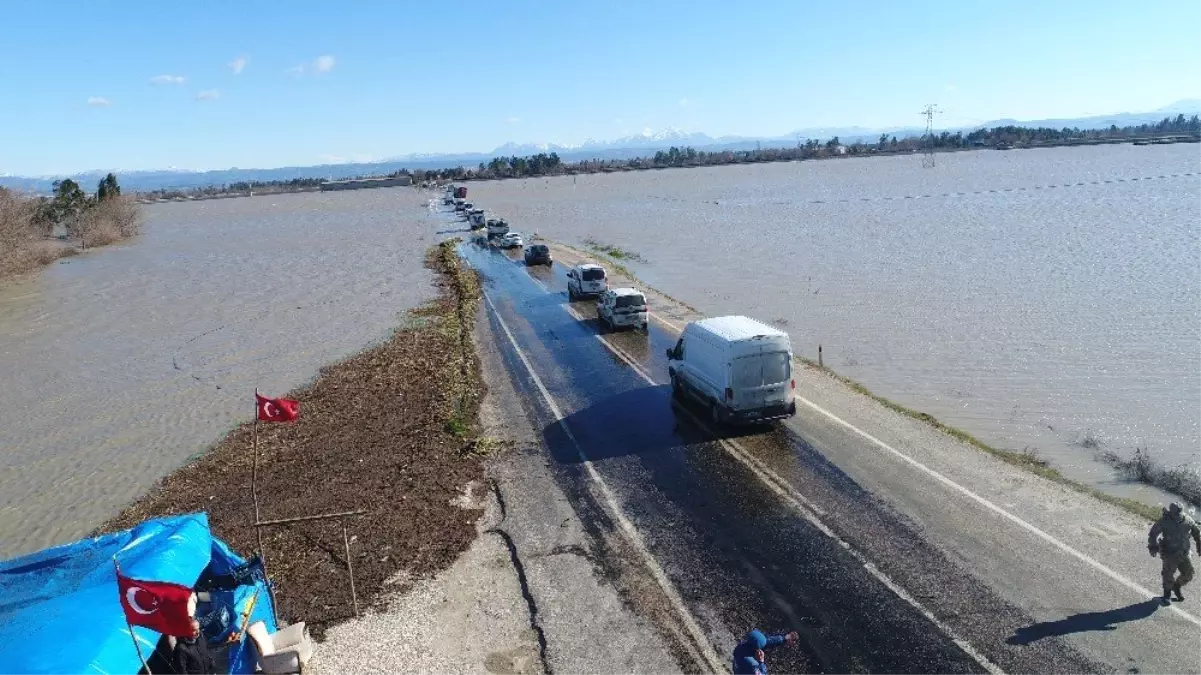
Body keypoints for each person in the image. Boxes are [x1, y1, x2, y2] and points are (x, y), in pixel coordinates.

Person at [1148, 502, 1201, 605]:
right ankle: (1167, 595)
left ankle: (1176, 586)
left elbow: (1197, 533)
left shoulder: (1188, 520)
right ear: (1171, 513)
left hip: (1184, 553)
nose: (1178, 516)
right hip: (1169, 553)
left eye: (1179, 514)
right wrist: (1153, 546)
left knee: (1188, 574)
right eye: (1176, 514)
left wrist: (1199, 545)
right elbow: (1153, 534)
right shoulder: (1164, 521)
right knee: (1168, 575)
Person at [731, 628, 798, 675]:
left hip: (738, 667)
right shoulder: (752, 664)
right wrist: (761, 662)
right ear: (757, 649)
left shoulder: (742, 646)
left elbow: (766, 642)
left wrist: (784, 638)